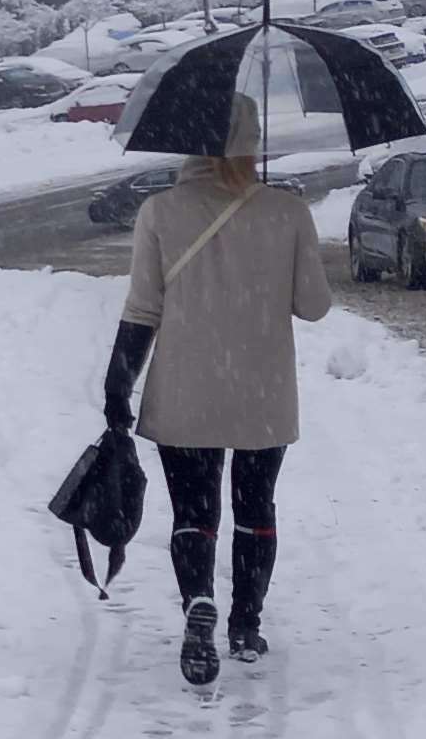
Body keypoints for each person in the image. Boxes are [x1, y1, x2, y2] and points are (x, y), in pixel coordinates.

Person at [99, 96, 332, 686]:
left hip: (185, 388)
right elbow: (313, 307)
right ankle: (245, 624)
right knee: (256, 509)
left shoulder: (160, 211)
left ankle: (198, 601)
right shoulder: (286, 211)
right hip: (263, 389)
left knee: (193, 509)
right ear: (251, 141)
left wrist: (117, 387)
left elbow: (142, 309)